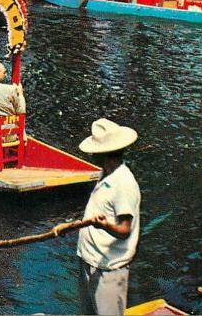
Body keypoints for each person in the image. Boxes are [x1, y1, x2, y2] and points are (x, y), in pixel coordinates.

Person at [53, 118, 141, 316]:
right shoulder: (105, 175)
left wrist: (105, 226)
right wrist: (70, 226)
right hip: (89, 259)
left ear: (103, 154)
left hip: (108, 268)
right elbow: (95, 214)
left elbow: (124, 229)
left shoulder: (123, 184)